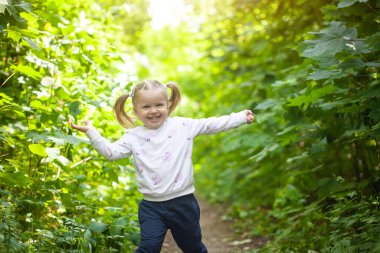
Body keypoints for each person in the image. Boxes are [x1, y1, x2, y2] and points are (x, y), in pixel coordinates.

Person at [68, 80, 254, 253]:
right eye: (146, 107)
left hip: (183, 203)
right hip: (151, 207)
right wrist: (91, 132)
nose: (153, 111)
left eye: (159, 105)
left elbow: (212, 124)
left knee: (192, 248)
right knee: (148, 248)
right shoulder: (133, 136)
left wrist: (240, 117)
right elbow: (111, 153)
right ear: (135, 111)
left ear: (168, 105)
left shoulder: (183, 126)